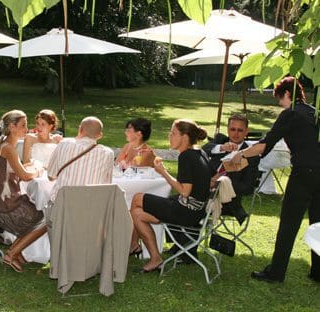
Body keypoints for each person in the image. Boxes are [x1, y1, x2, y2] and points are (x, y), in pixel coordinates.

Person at [230, 77, 320, 283]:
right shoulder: (315, 112)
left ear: (287, 94)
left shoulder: (290, 114)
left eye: (280, 98)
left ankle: (276, 272)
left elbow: (265, 144)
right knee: (318, 223)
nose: (279, 102)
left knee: (289, 223)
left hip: (304, 173)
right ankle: (318, 271)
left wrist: (242, 155)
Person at [130, 119, 211, 272]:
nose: (169, 136)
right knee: (137, 213)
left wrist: (163, 172)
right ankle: (151, 257)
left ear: (185, 137)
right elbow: (210, 180)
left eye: (173, 133)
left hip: (186, 212)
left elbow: (184, 191)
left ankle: (135, 246)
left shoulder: (186, 156)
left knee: (137, 198)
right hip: (198, 211)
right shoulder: (200, 153)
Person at [0, 110, 46, 273]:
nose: (27, 129)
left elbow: (12, 170)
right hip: (5, 202)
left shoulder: (0, 144)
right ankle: (12, 253)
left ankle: (15, 253)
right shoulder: (9, 148)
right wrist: (38, 170)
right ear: (11, 127)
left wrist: (28, 168)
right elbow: (24, 176)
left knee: (36, 215)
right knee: (45, 220)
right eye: (23, 125)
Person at [203, 114, 260, 225]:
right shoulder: (221, 140)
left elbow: (248, 188)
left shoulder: (251, 155)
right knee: (177, 204)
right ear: (228, 129)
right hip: (202, 192)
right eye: (232, 129)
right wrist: (222, 147)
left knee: (190, 207)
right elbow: (204, 150)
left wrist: (220, 183)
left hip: (227, 201)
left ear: (246, 132)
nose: (236, 133)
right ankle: (186, 241)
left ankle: (186, 241)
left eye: (240, 130)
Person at [47, 116, 114, 200]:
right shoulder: (108, 153)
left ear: (80, 130)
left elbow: (50, 176)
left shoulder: (63, 144)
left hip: (63, 204)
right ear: (100, 135)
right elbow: (106, 185)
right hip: (91, 206)